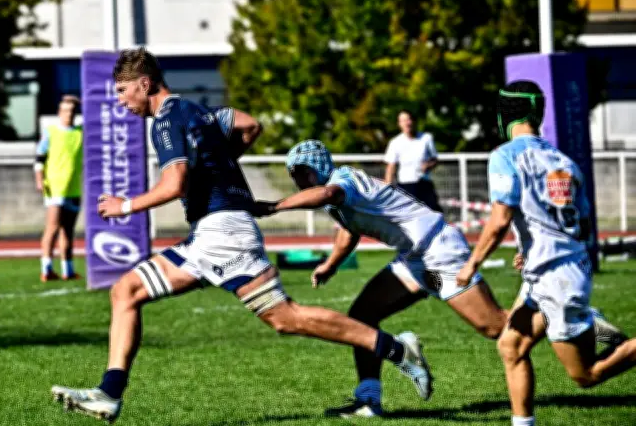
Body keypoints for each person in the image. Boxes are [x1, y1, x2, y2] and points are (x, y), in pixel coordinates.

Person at [49, 48, 432, 422]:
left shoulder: (165, 119)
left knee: (286, 318)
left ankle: (397, 349)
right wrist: (220, 164)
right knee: (126, 291)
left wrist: (125, 206)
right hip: (211, 233)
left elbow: (173, 184)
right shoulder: (202, 112)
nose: (120, 100)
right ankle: (109, 394)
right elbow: (249, 125)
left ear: (144, 84)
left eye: (122, 90)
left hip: (224, 232)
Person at [252, 139, 508, 418]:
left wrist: (274, 207)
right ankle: (368, 400)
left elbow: (327, 193)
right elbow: (349, 231)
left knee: (494, 326)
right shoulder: (337, 194)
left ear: (317, 166)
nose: (298, 180)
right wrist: (330, 265)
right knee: (361, 318)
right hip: (414, 260)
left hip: (438, 254)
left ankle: (549, 313)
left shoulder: (342, 181)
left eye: (301, 172)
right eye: (294, 174)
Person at [456, 80, 636, 426]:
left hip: (557, 279)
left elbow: (499, 221)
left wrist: (471, 264)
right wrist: (533, 248)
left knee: (586, 376)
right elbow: (580, 225)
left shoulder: (504, 156)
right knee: (511, 347)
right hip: (552, 270)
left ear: (503, 115)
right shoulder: (564, 162)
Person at [35, 95, 83, 282]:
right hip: (55, 187)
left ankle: (67, 270)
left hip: (74, 187)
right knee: (52, 228)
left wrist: (80, 101)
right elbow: (39, 159)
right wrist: (40, 180)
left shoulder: (80, 133)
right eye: (65, 110)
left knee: (68, 230)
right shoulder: (51, 132)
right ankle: (46, 268)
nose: (68, 114)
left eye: (72, 111)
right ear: (59, 112)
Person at [383, 110, 442, 211]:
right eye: (403, 120)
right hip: (405, 186)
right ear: (399, 124)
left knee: (434, 214)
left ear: (413, 121)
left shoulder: (426, 138)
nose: (407, 123)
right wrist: (387, 189)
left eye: (409, 119)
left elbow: (435, 159)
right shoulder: (395, 142)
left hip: (424, 184)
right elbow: (390, 167)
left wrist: (429, 165)